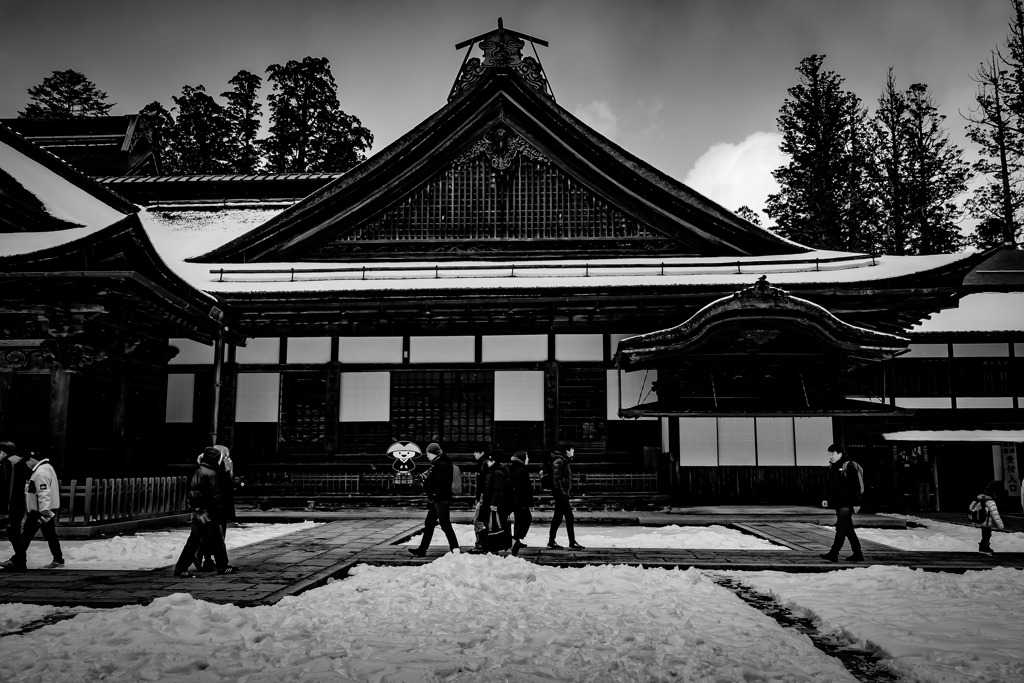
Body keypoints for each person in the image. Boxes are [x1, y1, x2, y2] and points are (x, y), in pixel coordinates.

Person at [173, 446, 236, 577]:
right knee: (214, 540)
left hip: (204, 511)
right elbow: (200, 494)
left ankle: (182, 567)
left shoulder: (205, 471)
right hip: (206, 512)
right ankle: (222, 566)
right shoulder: (207, 473)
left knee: (196, 540)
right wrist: (201, 510)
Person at [3, 452, 64, 571]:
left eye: (27, 461)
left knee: (27, 534)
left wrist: (44, 509)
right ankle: (58, 559)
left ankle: (16, 560)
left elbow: (43, 492)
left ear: (32, 459)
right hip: (45, 509)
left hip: (40, 510)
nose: (26, 464)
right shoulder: (47, 468)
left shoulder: (41, 472)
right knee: (49, 534)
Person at [408, 442, 461, 557]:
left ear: (435, 453)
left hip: (440, 499)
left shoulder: (442, 464)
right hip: (436, 499)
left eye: (429, 454)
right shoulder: (438, 463)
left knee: (445, 524)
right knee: (429, 524)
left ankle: (455, 548)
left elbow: (441, 484)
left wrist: (434, 494)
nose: (428, 456)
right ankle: (422, 549)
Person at [819, 443, 865, 563]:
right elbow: (829, 485)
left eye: (832, 454)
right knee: (848, 529)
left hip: (847, 502)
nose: (830, 456)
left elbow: (855, 485)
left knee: (841, 527)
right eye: (829, 454)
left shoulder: (848, 466)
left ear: (839, 454)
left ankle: (834, 553)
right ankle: (858, 553)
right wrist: (825, 498)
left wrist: (856, 503)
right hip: (838, 502)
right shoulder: (832, 467)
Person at [195, 444, 236, 571]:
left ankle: (208, 559)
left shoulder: (211, 467)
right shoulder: (215, 468)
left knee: (212, 535)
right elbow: (223, 484)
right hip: (215, 505)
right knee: (214, 535)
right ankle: (212, 560)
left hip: (215, 505)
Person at [476, 448, 514, 554]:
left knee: (494, 527)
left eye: (489, 460)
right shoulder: (498, 471)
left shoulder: (496, 473)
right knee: (495, 526)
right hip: (495, 504)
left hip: (494, 505)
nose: (487, 463)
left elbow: (498, 490)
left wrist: (493, 503)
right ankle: (495, 548)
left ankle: (494, 548)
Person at [548, 443, 584, 550]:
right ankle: (571, 542)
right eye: (572, 449)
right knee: (569, 517)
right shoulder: (559, 461)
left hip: (561, 494)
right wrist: (562, 494)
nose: (573, 451)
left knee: (558, 518)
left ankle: (552, 541)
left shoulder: (563, 460)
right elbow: (556, 480)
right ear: (567, 450)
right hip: (561, 495)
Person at [0, 441, 30, 571]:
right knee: (14, 534)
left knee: (14, 534)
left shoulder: (7, 464)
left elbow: (3, 487)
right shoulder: (19, 462)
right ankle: (20, 561)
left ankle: (20, 562)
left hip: (9, 505)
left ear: (3, 452)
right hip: (18, 503)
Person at [508, 450, 533, 556]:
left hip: (516, 500)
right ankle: (515, 539)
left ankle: (517, 539)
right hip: (521, 500)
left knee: (519, 519)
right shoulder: (521, 470)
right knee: (526, 519)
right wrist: (527, 502)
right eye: (526, 457)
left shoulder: (516, 468)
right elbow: (523, 488)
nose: (528, 459)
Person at [970, 480, 1005, 556]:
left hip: (981, 521)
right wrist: (1000, 526)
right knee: (987, 535)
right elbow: (995, 514)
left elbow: (972, 508)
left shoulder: (979, 499)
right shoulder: (990, 502)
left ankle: (983, 546)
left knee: (985, 534)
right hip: (987, 522)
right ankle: (984, 547)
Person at [471, 445, 487, 552]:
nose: (474, 454)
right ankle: (482, 543)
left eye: (476, 452)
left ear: (482, 453)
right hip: (483, 496)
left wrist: (480, 497)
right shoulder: (482, 464)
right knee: (482, 521)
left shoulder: (483, 464)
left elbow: (482, 483)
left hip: (483, 496)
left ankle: (480, 543)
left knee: (478, 521)